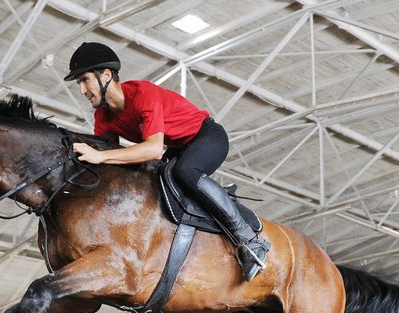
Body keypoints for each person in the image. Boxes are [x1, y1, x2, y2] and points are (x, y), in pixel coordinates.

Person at [63, 41, 270, 281]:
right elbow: (107, 160)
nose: (82, 90)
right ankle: (213, 197)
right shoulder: (103, 115)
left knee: (186, 171)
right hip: (178, 148)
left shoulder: (144, 95)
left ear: (106, 75)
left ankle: (250, 240)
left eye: (84, 80)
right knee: (150, 180)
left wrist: (100, 155)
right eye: (79, 83)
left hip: (207, 137)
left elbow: (152, 150)